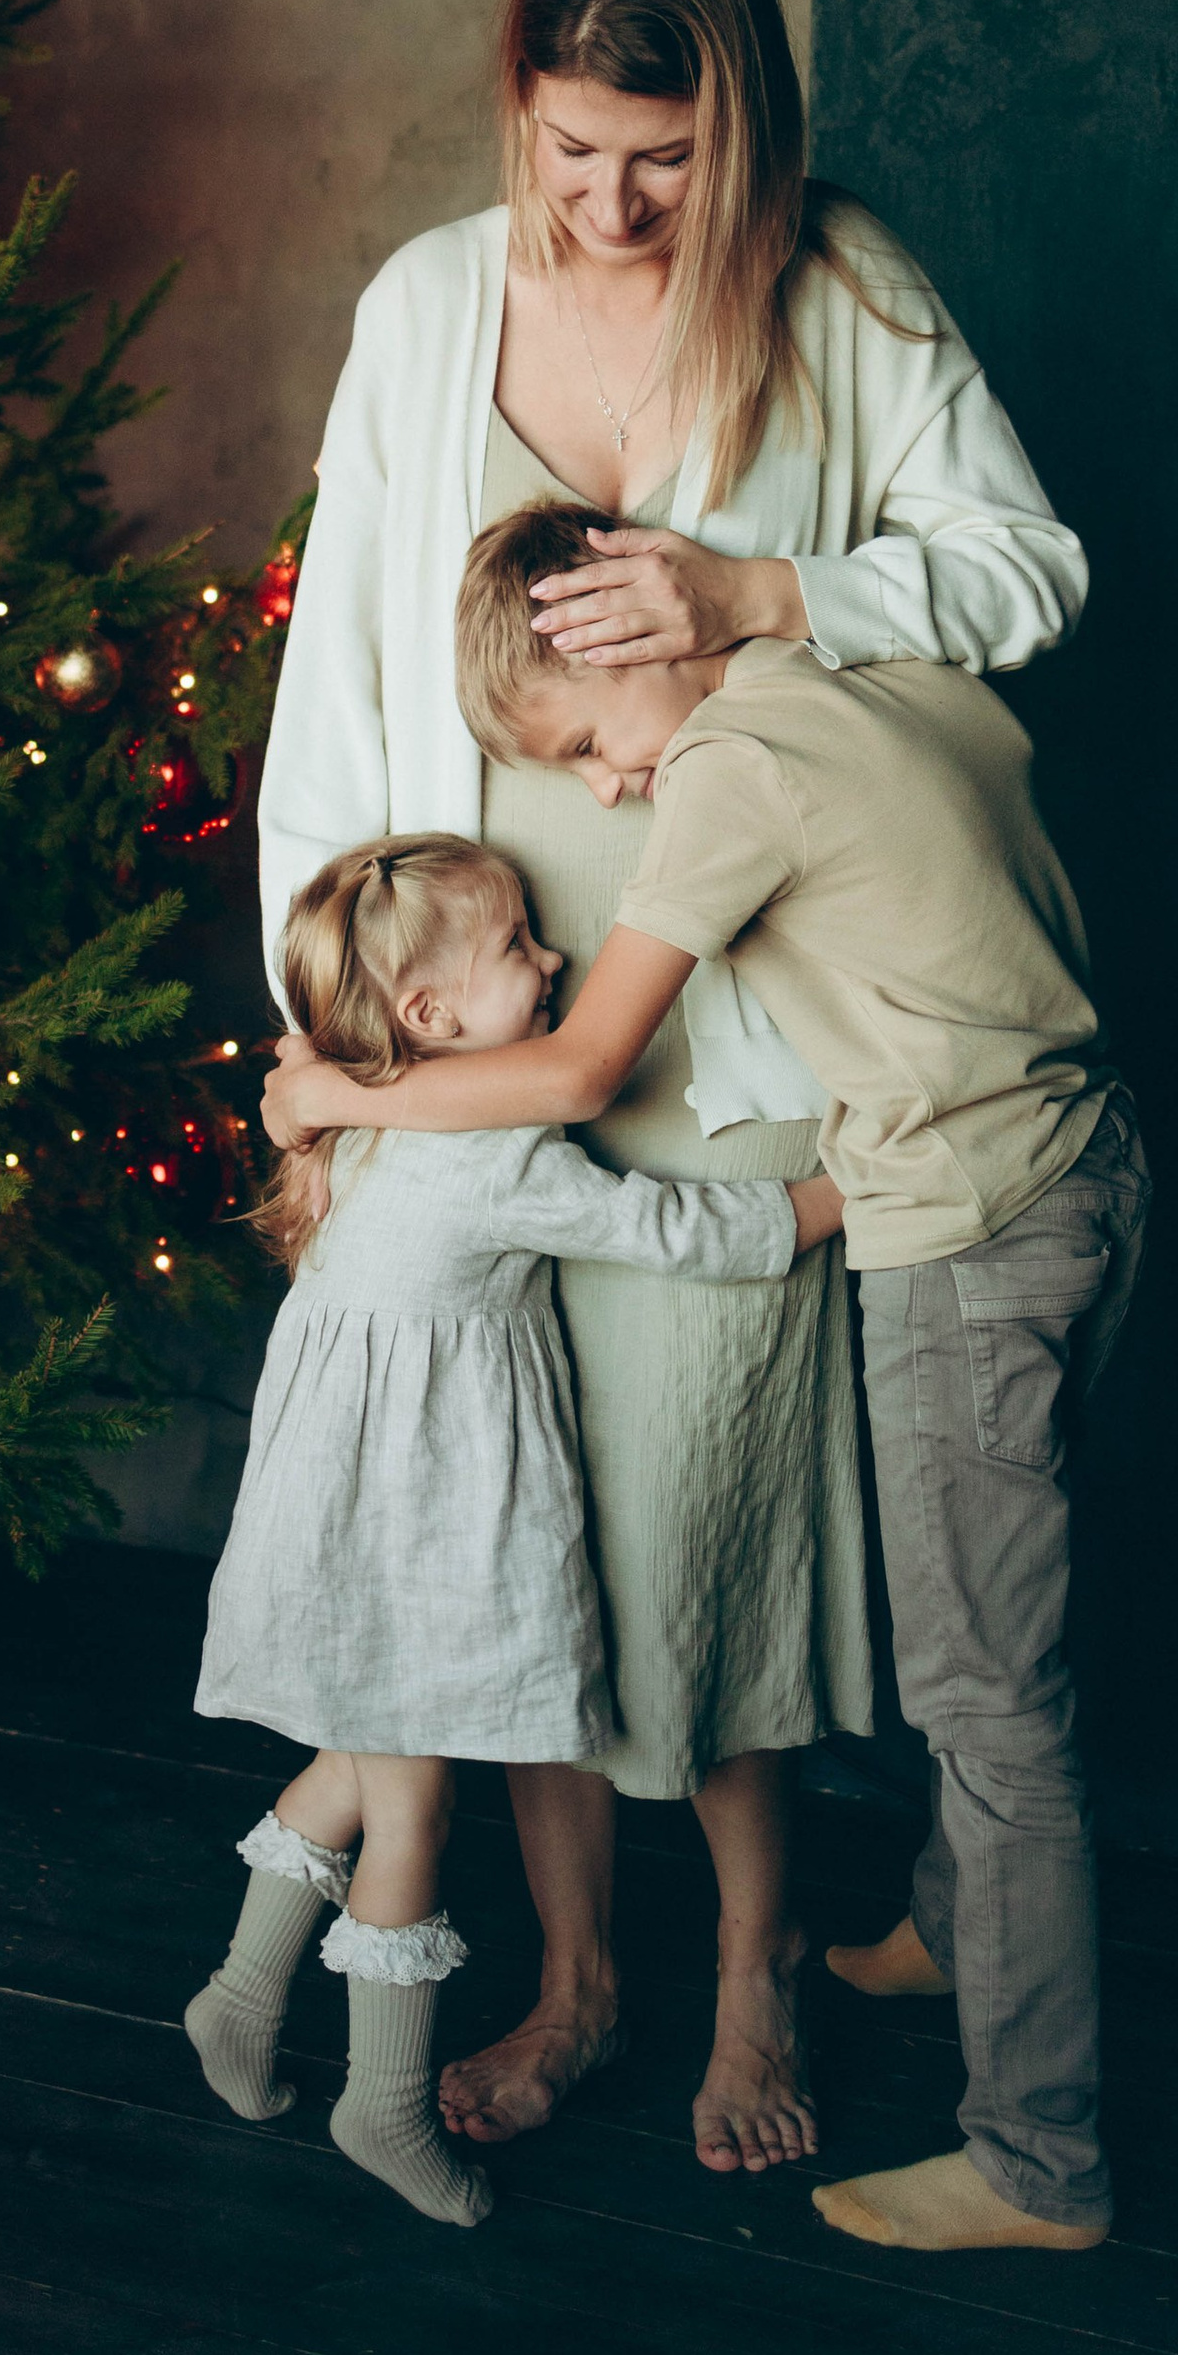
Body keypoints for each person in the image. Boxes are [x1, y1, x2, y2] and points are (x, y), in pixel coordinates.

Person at [255, 0, 1088, 2170]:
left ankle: (749, 2000)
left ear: (748, 130)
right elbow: (332, 697)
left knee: (698, 1554)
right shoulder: (425, 306)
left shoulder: (842, 285)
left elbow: (1029, 570)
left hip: (723, 1049)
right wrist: (338, 1054)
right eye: (563, 151)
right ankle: (571, 1983)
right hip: (464, 1025)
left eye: (661, 159)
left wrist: (771, 591)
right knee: (512, 1542)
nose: (607, 208)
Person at [263, 503, 1151, 2252]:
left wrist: (341, 1098)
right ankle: (944, 1932)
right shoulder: (881, 672)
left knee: (988, 1702)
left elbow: (586, 1067)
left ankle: (1039, 2162)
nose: (602, 789)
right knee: (996, 1638)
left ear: (624, 645)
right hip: (1098, 1165)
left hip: (967, 1228)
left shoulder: (735, 767)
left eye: (588, 746)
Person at [187, 831, 847, 2228]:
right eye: (518, 949)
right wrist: (832, 1200)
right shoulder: (485, 1146)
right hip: (416, 1526)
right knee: (410, 1806)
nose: (554, 957)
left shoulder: (361, 1109)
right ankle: (380, 2104)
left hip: (333, 1511)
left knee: (355, 1776)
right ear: (428, 1017)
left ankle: (240, 2004)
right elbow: (666, 1229)